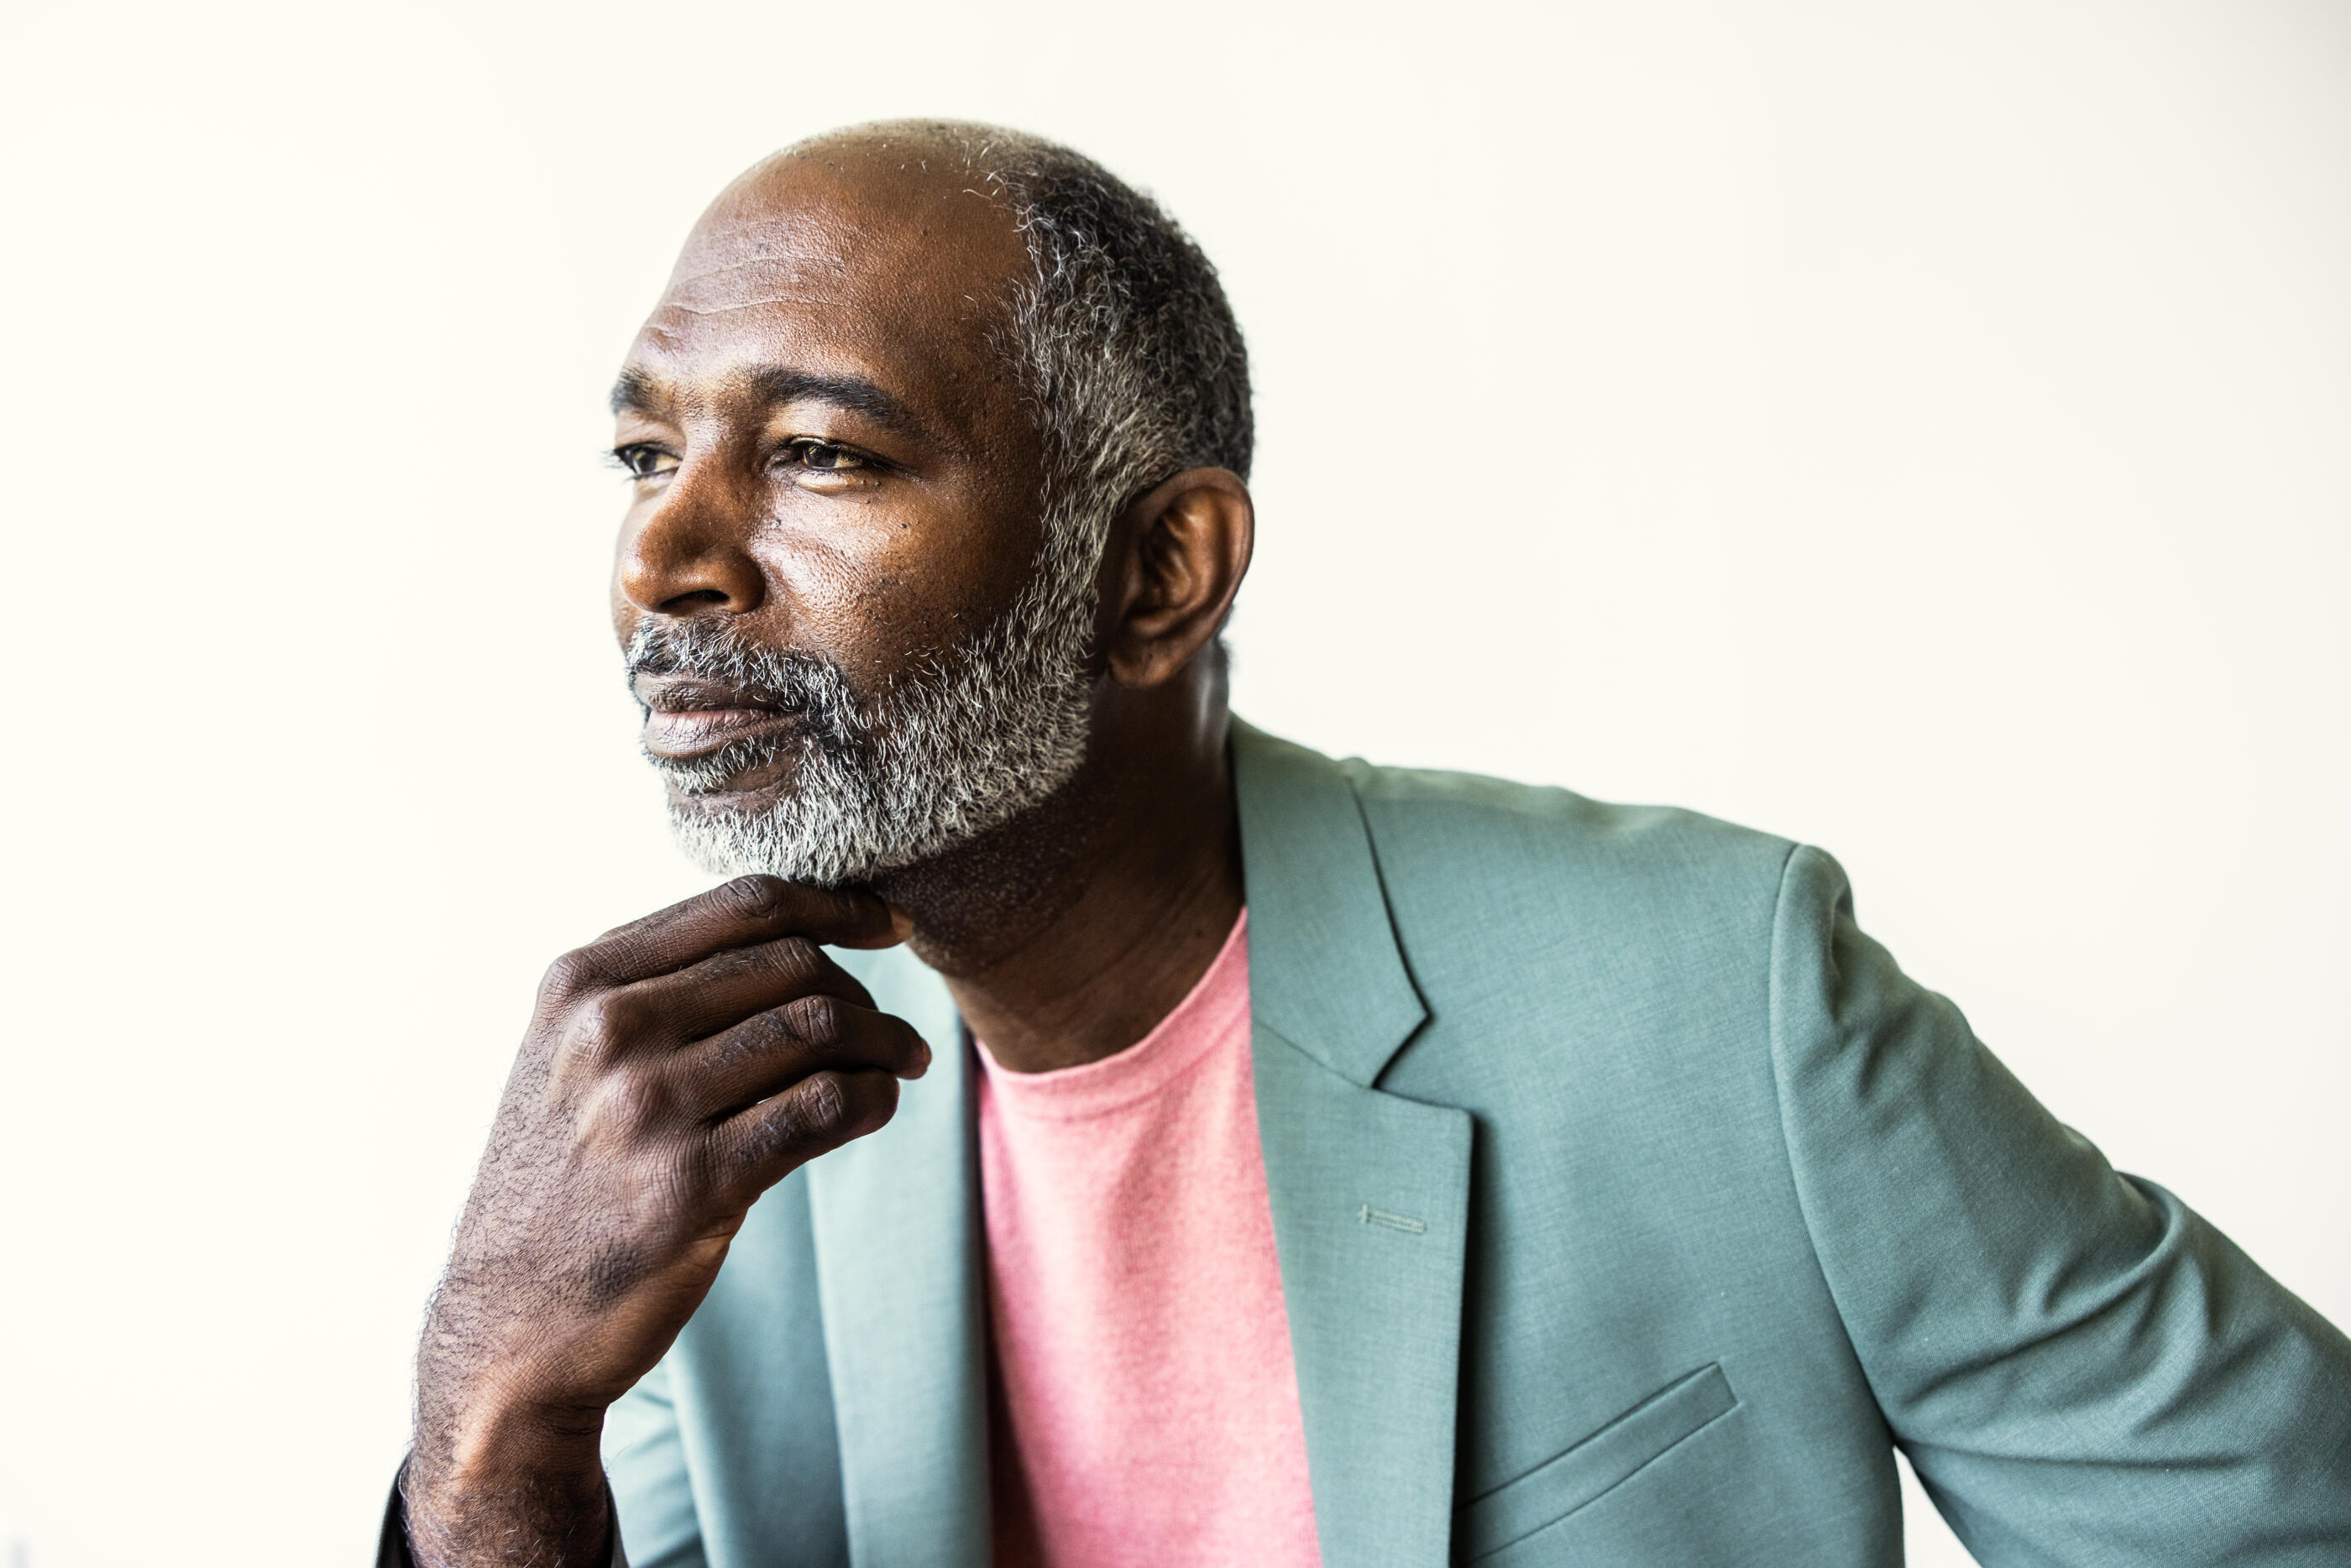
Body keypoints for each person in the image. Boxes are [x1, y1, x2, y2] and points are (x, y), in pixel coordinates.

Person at [385, 121, 2351, 1568]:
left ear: (1159, 572)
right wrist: (491, 1424)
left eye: (817, 452)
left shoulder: (1710, 993)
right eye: (647, 453)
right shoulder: (696, 1136)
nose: (663, 555)